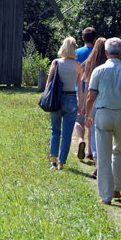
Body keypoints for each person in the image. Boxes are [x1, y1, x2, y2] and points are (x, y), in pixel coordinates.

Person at [85, 37, 121, 205]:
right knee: (118, 151)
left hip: (103, 113)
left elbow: (91, 97)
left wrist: (88, 114)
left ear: (106, 52)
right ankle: (116, 187)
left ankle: (106, 195)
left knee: (103, 155)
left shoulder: (98, 71)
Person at [45, 36, 83, 170]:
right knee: (67, 133)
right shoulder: (78, 65)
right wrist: (80, 104)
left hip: (56, 99)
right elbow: (79, 86)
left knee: (55, 130)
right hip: (71, 98)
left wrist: (46, 97)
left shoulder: (56, 63)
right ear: (74, 49)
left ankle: (53, 162)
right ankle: (62, 163)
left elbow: (49, 83)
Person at [82, 36, 107, 178]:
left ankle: (96, 161)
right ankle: (104, 163)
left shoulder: (90, 62)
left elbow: (87, 85)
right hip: (107, 102)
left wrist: (86, 106)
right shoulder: (108, 63)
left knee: (94, 132)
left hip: (94, 101)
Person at [74, 26, 97, 159]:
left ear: (82, 38)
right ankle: (89, 151)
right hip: (93, 90)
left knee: (79, 120)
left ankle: (80, 140)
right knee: (91, 121)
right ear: (94, 39)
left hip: (79, 90)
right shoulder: (97, 53)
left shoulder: (76, 52)